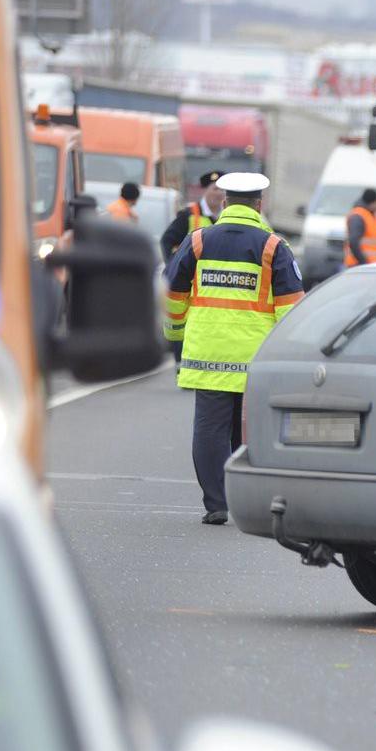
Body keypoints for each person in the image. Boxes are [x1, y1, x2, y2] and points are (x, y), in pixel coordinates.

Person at [164, 173, 304, 524]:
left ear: (224, 203)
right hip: (256, 358)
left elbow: (173, 292)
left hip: (208, 353)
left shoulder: (197, 241)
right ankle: (251, 501)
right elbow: (292, 309)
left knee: (209, 429)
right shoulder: (273, 247)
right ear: (260, 205)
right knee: (249, 430)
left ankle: (216, 502)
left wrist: (176, 335)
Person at [160, 171, 225, 263]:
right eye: (215, 189)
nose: (219, 193)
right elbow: (167, 240)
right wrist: (172, 268)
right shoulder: (188, 215)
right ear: (205, 190)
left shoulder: (228, 216)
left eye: (222, 190)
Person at [344, 188, 376, 267]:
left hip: (370, 265)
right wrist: (363, 262)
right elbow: (353, 242)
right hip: (358, 265)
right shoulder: (358, 216)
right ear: (372, 202)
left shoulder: (371, 216)